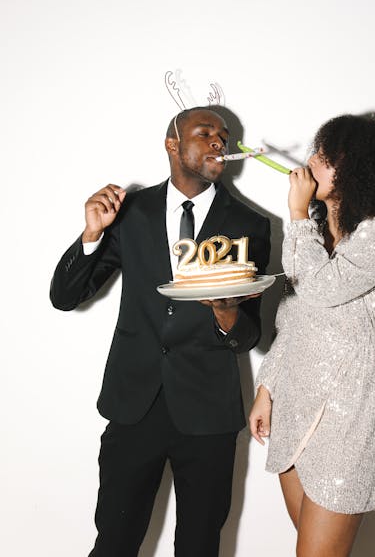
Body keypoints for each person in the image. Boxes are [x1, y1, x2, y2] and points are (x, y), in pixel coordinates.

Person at [50, 106, 271, 557]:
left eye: (223, 136)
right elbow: (65, 296)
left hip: (208, 414)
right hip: (134, 406)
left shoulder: (249, 225)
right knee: (114, 542)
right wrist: (92, 234)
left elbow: (249, 336)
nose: (218, 142)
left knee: (199, 546)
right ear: (172, 143)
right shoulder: (130, 212)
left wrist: (227, 314)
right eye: (205, 132)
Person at [249, 114, 375, 557]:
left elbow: (321, 289)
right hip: (295, 405)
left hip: (351, 415)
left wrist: (295, 215)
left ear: (360, 171)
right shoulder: (315, 235)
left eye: (326, 158)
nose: (311, 162)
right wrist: (267, 388)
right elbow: (293, 316)